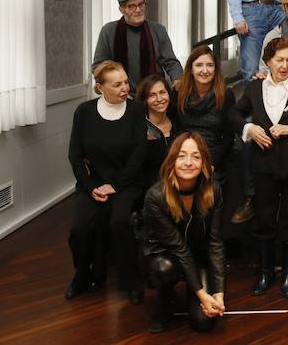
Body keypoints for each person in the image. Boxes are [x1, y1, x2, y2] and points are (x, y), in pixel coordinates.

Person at [229, 38, 288, 298]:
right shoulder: (255, 87)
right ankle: (266, 273)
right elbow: (234, 114)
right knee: (264, 219)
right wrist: (249, 129)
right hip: (263, 165)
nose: (285, 65)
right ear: (267, 61)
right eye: (279, 60)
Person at [66, 61, 145, 304]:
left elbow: (138, 154)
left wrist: (117, 185)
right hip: (93, 184)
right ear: (100, 88)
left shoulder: (135, 111)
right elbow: (75, 155)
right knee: (79, 229)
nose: (125, 87)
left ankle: (131, 281)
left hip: (126, 183)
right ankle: (84, 274)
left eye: (125, 81)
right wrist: (90, 187)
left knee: (119, 223)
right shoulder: (84, 112)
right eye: (117, 84)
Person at [143, 132, 225, 333]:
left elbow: (215, 243)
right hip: (167, 255)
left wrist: (219, 293)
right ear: (172, 161)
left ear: (204, 163)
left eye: (196, 157)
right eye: (181, 156)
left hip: (198, 256)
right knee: (164, 268)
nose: (189, 162)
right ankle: (165, 296)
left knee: (204, 323)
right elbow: (179, 248)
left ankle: (195, 287)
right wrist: (203, 295)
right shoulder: (156, 196)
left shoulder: (214, 190)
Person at [92, 0, 183, 91]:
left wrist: (178, 78)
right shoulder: (108, 31)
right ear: (122, 9)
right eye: (131, 6)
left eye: (141, 4)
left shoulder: (158, 30)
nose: (138, 10)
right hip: (122, 95)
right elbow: (98, 67)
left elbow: (171, 62)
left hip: (153, 93)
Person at [177, 46, 235, 178]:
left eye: (210, 65)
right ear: (191, 69)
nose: (204, 70)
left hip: (213, 158)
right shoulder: (180, 93)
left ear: (215, 69)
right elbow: (177, 129)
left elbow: (228, 136)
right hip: (184, 155)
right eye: (198, 65)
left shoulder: (225, 95)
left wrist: (213, 163)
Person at [136, 75, 182, 191]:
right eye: (152, 95)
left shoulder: (178, 122)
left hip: (179, 182)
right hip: (150, 188)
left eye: (162, 92)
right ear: (144, 100)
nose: (159, 99)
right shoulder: (139, 127)